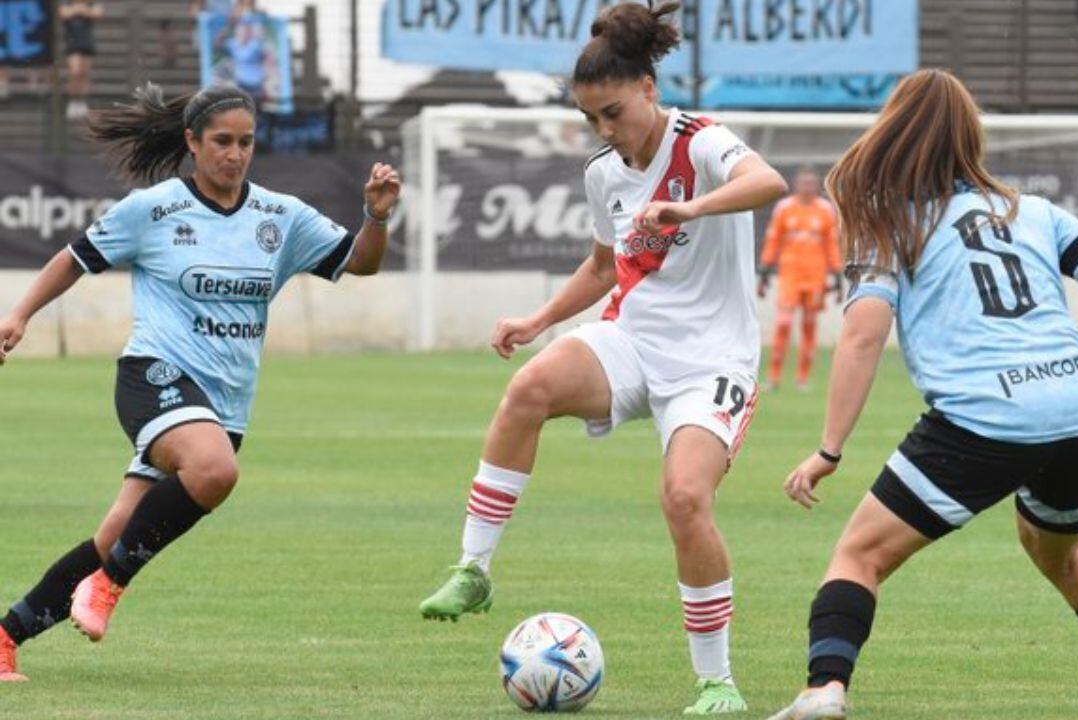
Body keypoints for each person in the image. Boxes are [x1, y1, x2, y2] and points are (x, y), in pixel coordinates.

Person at [766, 69, 1078, 720]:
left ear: (893, 130)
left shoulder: (888, 222)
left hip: (986, 417)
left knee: (859, 555)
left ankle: (824, 691)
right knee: (1061, 554)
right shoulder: (1030, 210)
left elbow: (861, 338)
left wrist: (829, 449)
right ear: (971, 138)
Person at [417, 2, 787, 714]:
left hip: (712, 361)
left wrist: (691, 210)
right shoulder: (604, 173)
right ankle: (474, 568)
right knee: (530, 388)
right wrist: (539, 320)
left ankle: (717, 681)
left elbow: (766, 182)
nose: (605, 130)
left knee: (684, 499)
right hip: (633, 339)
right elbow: (602, 266)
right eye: (593, 120)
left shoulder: (703, 143)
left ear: (649, 87)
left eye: (613, 112)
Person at [0, 83, 401, 682]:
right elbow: (74, 257)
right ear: (192, 142)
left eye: (246, 142)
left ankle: (6, 636)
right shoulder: (154, 209)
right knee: (215, 471)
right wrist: (19, 313)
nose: (235, 154)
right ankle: (108, 588)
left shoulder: (279, 217)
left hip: (222, 409)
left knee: (115, 536)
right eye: (221, 142)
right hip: (152, 375)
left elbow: (360, 262)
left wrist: (375, 215)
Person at [758, 167, 842, 392]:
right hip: (790, 275)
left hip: (816, 276)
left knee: (809, 326)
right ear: (796, 185)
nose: (807, 187)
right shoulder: (784, 208)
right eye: (803, 183)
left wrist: (836, 274)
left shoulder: (825, 210)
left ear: (816, 187)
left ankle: (802, 378)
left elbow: (831, 244)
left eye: (811, 184)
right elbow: (773, 239)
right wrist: (765, 270)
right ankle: (773, 377)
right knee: (783, 324)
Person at [60, 0, 104, 120]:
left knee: (84, 74)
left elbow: (98, 13)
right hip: (72, 43)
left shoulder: (92, 3)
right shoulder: (67, 3)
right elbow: (63, 14)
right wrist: (79, 10)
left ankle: (82, 101)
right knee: (75, 72)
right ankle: (73, 100)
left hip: (86, 42)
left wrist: (80, 10)